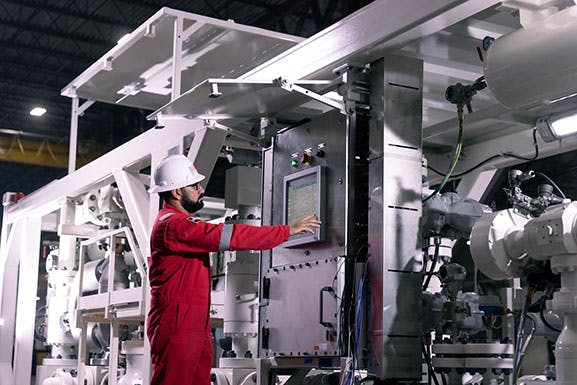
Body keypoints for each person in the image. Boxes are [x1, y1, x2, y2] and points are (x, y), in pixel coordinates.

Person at [146, 154, 320, 385]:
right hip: (177, 323)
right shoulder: (172, 225)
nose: (201, 190)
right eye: (195, 185)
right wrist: (287, 231)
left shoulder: (178, 224)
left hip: (192, 322)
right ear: (177, 192)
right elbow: (230, 236)